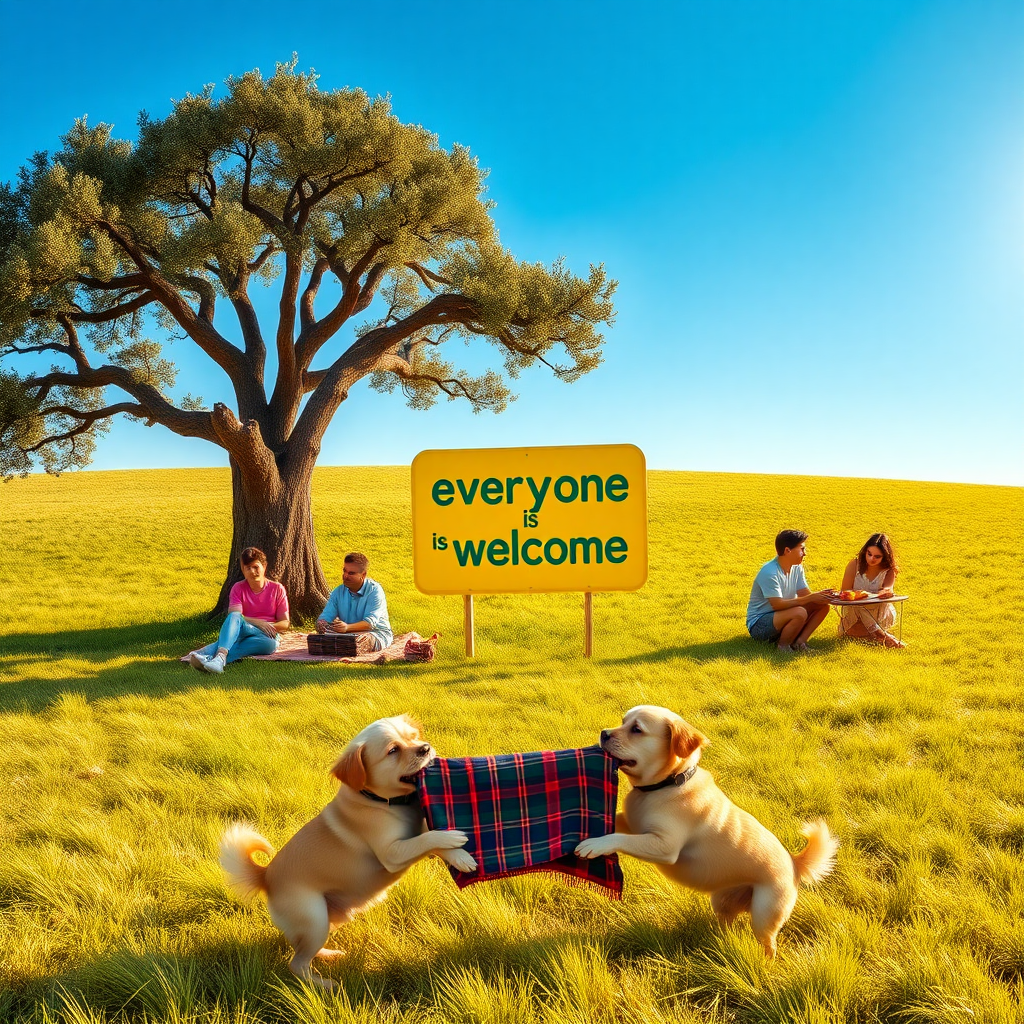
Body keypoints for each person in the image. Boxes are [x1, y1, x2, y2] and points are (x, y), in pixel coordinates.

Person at [190, 547, 290, 673]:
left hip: (265, 636)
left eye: (256, 567)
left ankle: (206, 656)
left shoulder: (277, 589)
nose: (253, 571)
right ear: (243, 570)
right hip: (243, 629)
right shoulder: (238, 588)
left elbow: (285, 623)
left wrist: (267, 626)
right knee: (234, 617)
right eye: (248, 568)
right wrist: (258, 623)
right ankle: (219, 658)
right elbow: (234, 616)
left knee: (270, 645)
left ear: (264, 566)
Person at [746, 529, 836, 652]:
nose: (805, 553)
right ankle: (783, 647)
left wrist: (826, 597)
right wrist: (811, 598)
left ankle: (800, 643)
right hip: (759, 625)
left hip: (783, 615)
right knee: (799, 612)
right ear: (787, 550)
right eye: (802, 549)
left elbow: (805, 594)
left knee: (822, 606)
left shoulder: (796, 567)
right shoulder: (769, 571)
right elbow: (777, 605)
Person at [316, 551, 393, 653]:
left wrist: (347, 627)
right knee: (317, 639)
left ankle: (344, 647)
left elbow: (369, 624)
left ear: (363, 575)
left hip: (374, 633)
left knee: (363, 640)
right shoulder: (337, 592)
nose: (345, 576)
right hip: (345, 635)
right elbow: (326, 616)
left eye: (351, 573)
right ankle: (343, 646)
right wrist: (322, 624)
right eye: (344, 571)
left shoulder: (374, 591)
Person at [839, 533, 905, 648]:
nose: (871, 559)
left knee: (863, 608)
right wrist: (859, 596)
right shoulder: (854, 564)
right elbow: (844, 592)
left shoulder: (888, 571)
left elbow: (887, 589)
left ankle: (879, 634)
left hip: (879, 611)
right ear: (865, 551)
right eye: (869, 554)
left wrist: (886, 592)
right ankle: (883, 636)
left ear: (885, 557)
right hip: (855, 611)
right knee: (859, 606)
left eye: (877, 556)